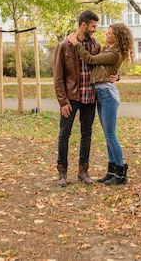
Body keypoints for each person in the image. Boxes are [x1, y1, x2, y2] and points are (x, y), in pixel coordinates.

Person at [67, 22, 133, 186]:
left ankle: (120, 172)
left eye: (109, 33)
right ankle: (111, 171)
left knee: (111, 135)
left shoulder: (114, 53)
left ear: (117, 37)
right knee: (108, 136)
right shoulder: (108, 50)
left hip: (107, 95)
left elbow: (90, 59)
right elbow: (106, 70)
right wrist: (116, 76)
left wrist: (75, 44)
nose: (106, 34)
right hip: (101, 93)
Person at [53, 11, 102, 187]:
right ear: (84, 25)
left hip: (90, 97)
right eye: (93, 26)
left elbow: (101, 67)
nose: (95, 30)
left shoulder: (95, 46)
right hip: (71, 98)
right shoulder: (64, 46)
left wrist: (115, 76)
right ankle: (62, 173)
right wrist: (63, 102)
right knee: (64, 134)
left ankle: (83, 171)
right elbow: (58, 77)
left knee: (86, 134)